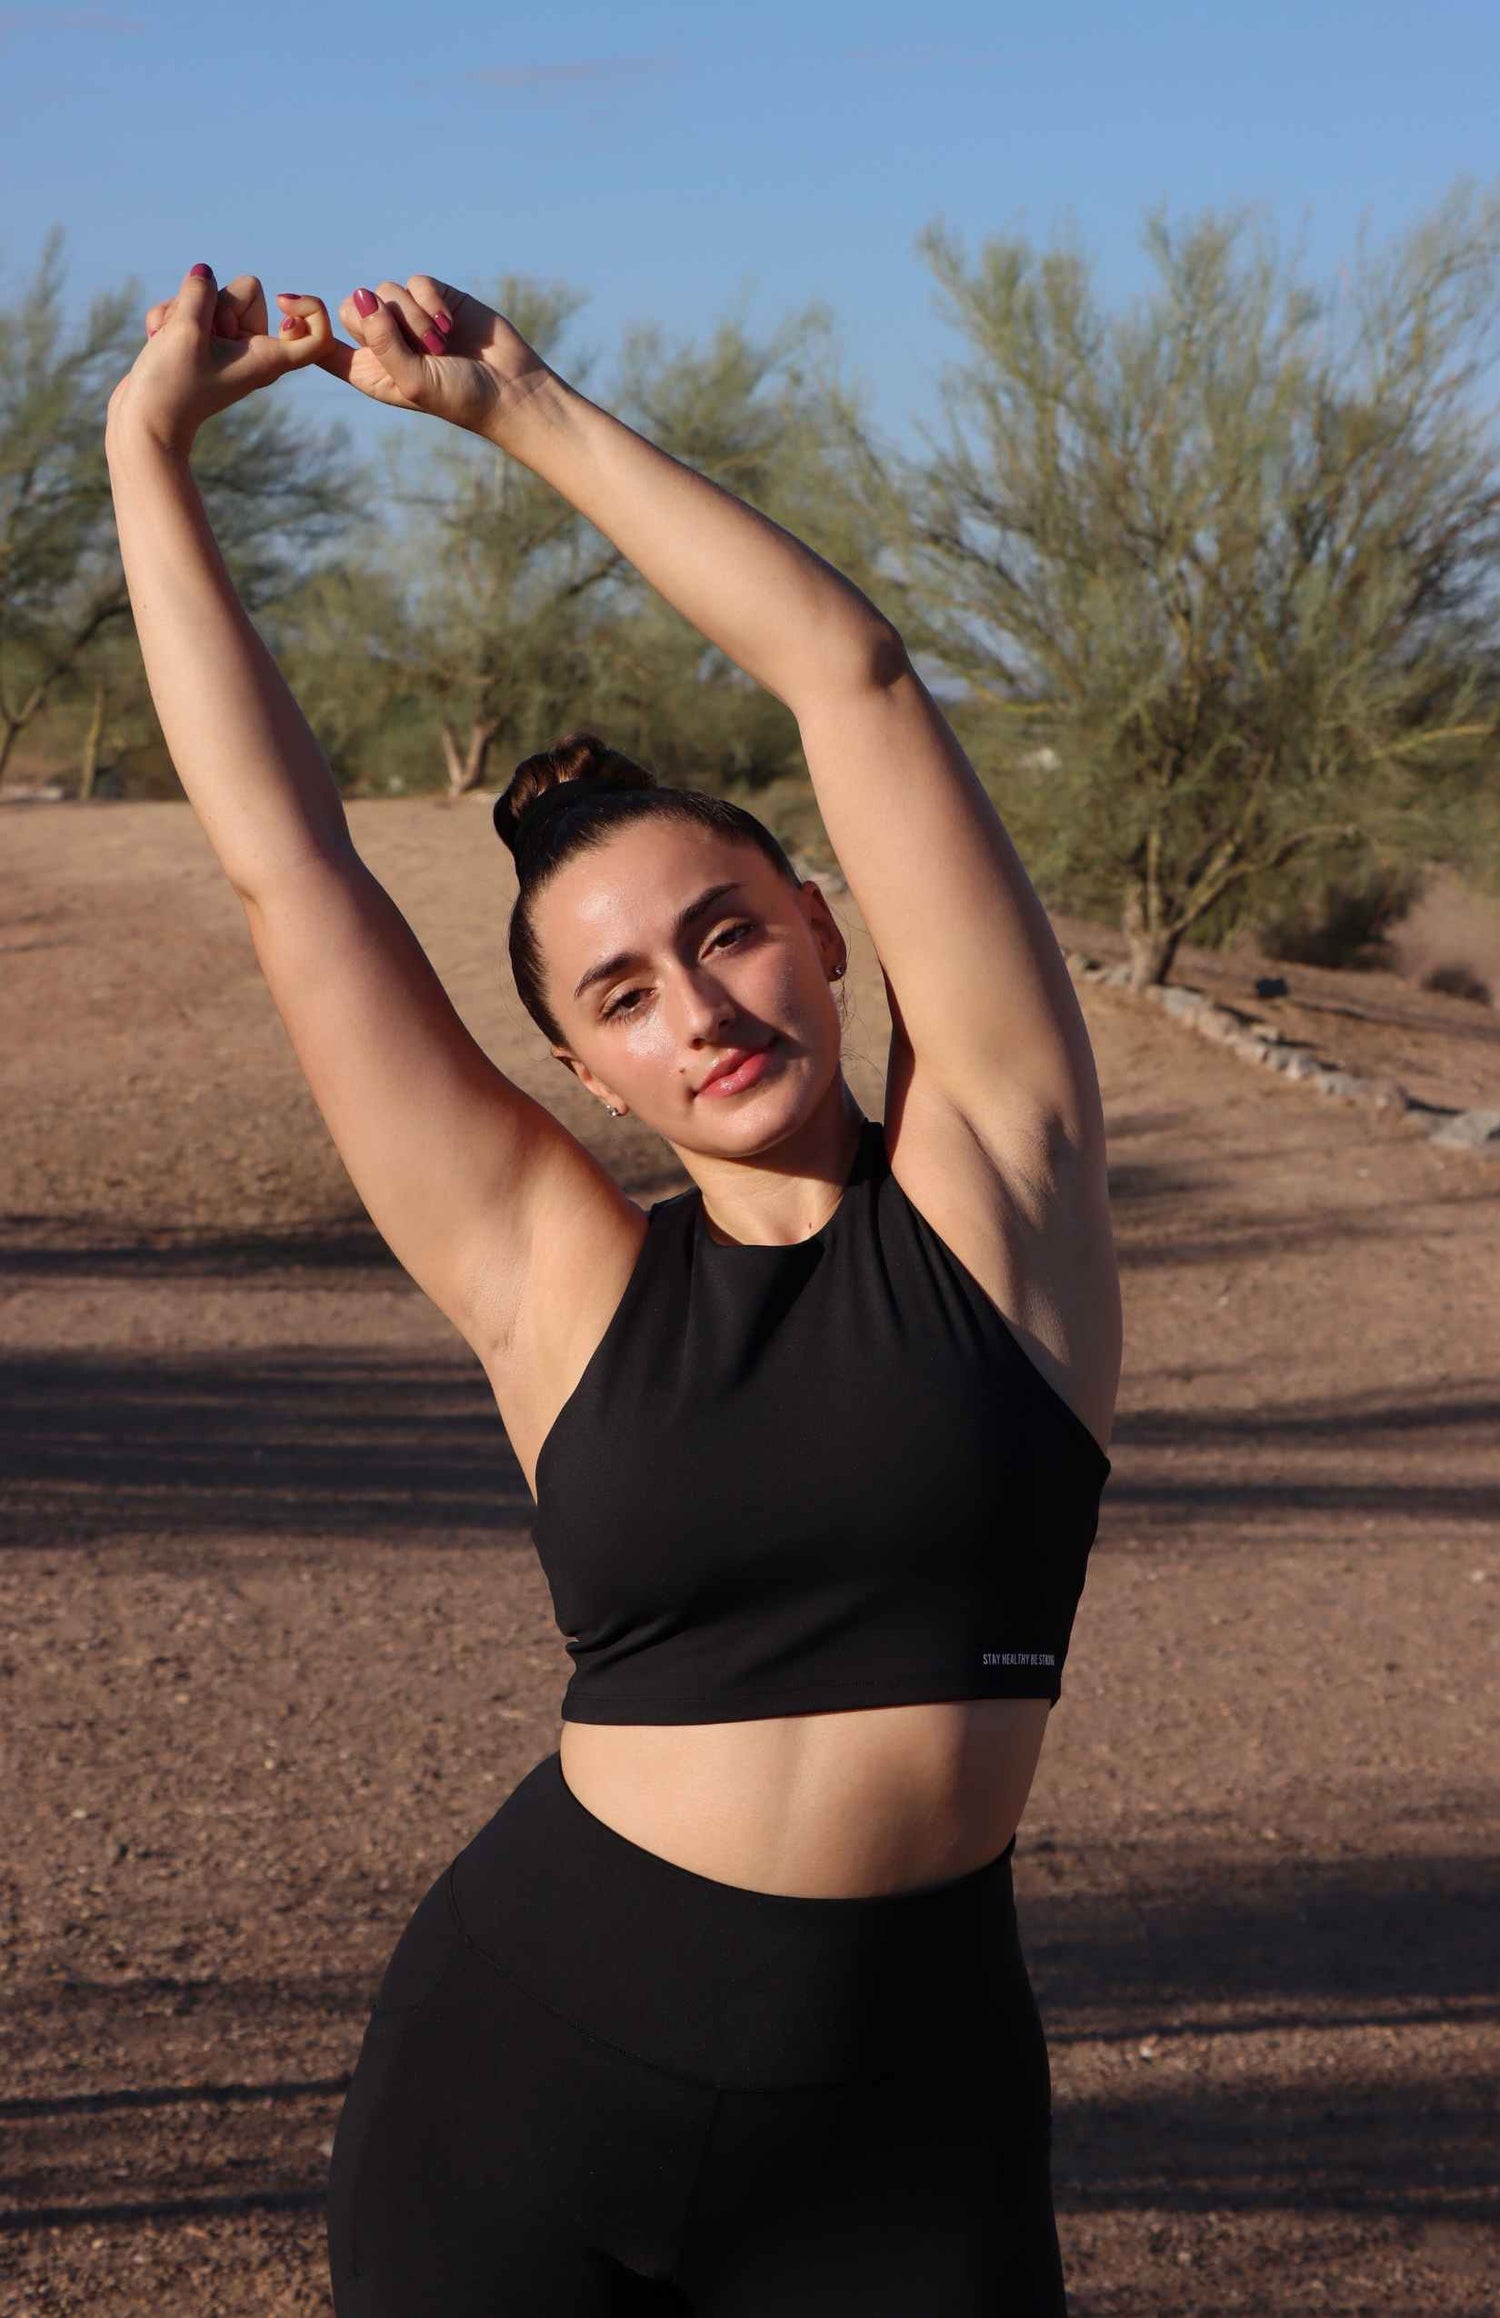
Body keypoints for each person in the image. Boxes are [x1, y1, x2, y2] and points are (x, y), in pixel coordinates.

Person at [106, 264, 1121, 2316]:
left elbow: (852, 681)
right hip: (527, 2089)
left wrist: (528, 412)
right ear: (586, 1070)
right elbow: (292, 872)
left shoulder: (1003, 1183)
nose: (704, 1004)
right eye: (625, 993)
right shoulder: (553, 1272)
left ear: (824, 934)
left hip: (911, 2122)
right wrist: (147, 459)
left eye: (730, 930)